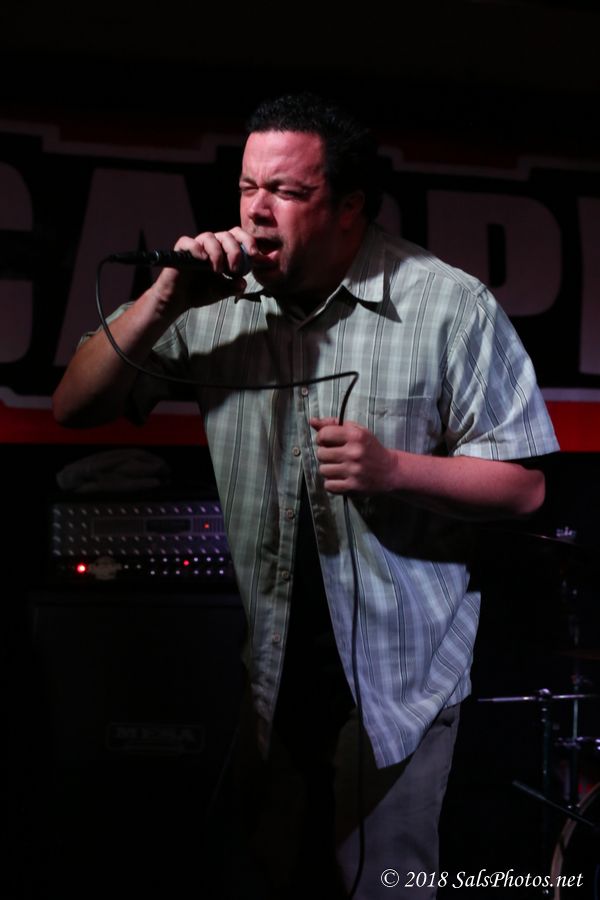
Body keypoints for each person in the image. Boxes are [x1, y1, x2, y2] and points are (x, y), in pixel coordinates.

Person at [52, 92, 559, 898]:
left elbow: (526, 487)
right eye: (248, 188)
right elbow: (75, 407)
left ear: (349, 208)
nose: (258, 210)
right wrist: (164, 298)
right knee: (268, 874)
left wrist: (395, 471)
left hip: (401, 676)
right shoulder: (211, 298)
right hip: (269, 670)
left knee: (385, 885)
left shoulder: (447, 306)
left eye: (287, 191)